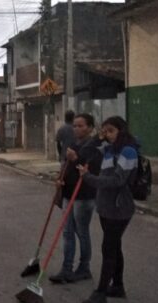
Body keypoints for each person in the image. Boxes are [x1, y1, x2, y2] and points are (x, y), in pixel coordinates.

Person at [77, 116, 138, 303]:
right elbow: (86, 151)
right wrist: (98, 137)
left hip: (119, 208)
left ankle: (100, 293)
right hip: (105, 207)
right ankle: (117, 286)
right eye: (105, 131)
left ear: (122, 130)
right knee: (115, 246)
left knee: (108, 248)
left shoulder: (128, 152)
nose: (108, 135)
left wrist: (89, 178)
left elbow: (118, 180)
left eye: (111, 130)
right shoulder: (109, 150)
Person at [49, 113, 102, 284]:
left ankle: (84, 267)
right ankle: (66, 268)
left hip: (84, 195)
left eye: (81, 126)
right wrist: (59, 178)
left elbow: (93, 168)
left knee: (82, 232)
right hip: (68, 192)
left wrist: (76, 158)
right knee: (67, 233)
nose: (77, 129)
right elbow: (66, 164)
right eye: (75, 125)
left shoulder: (94, 146)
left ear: (91, 127)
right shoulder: (72, 143)